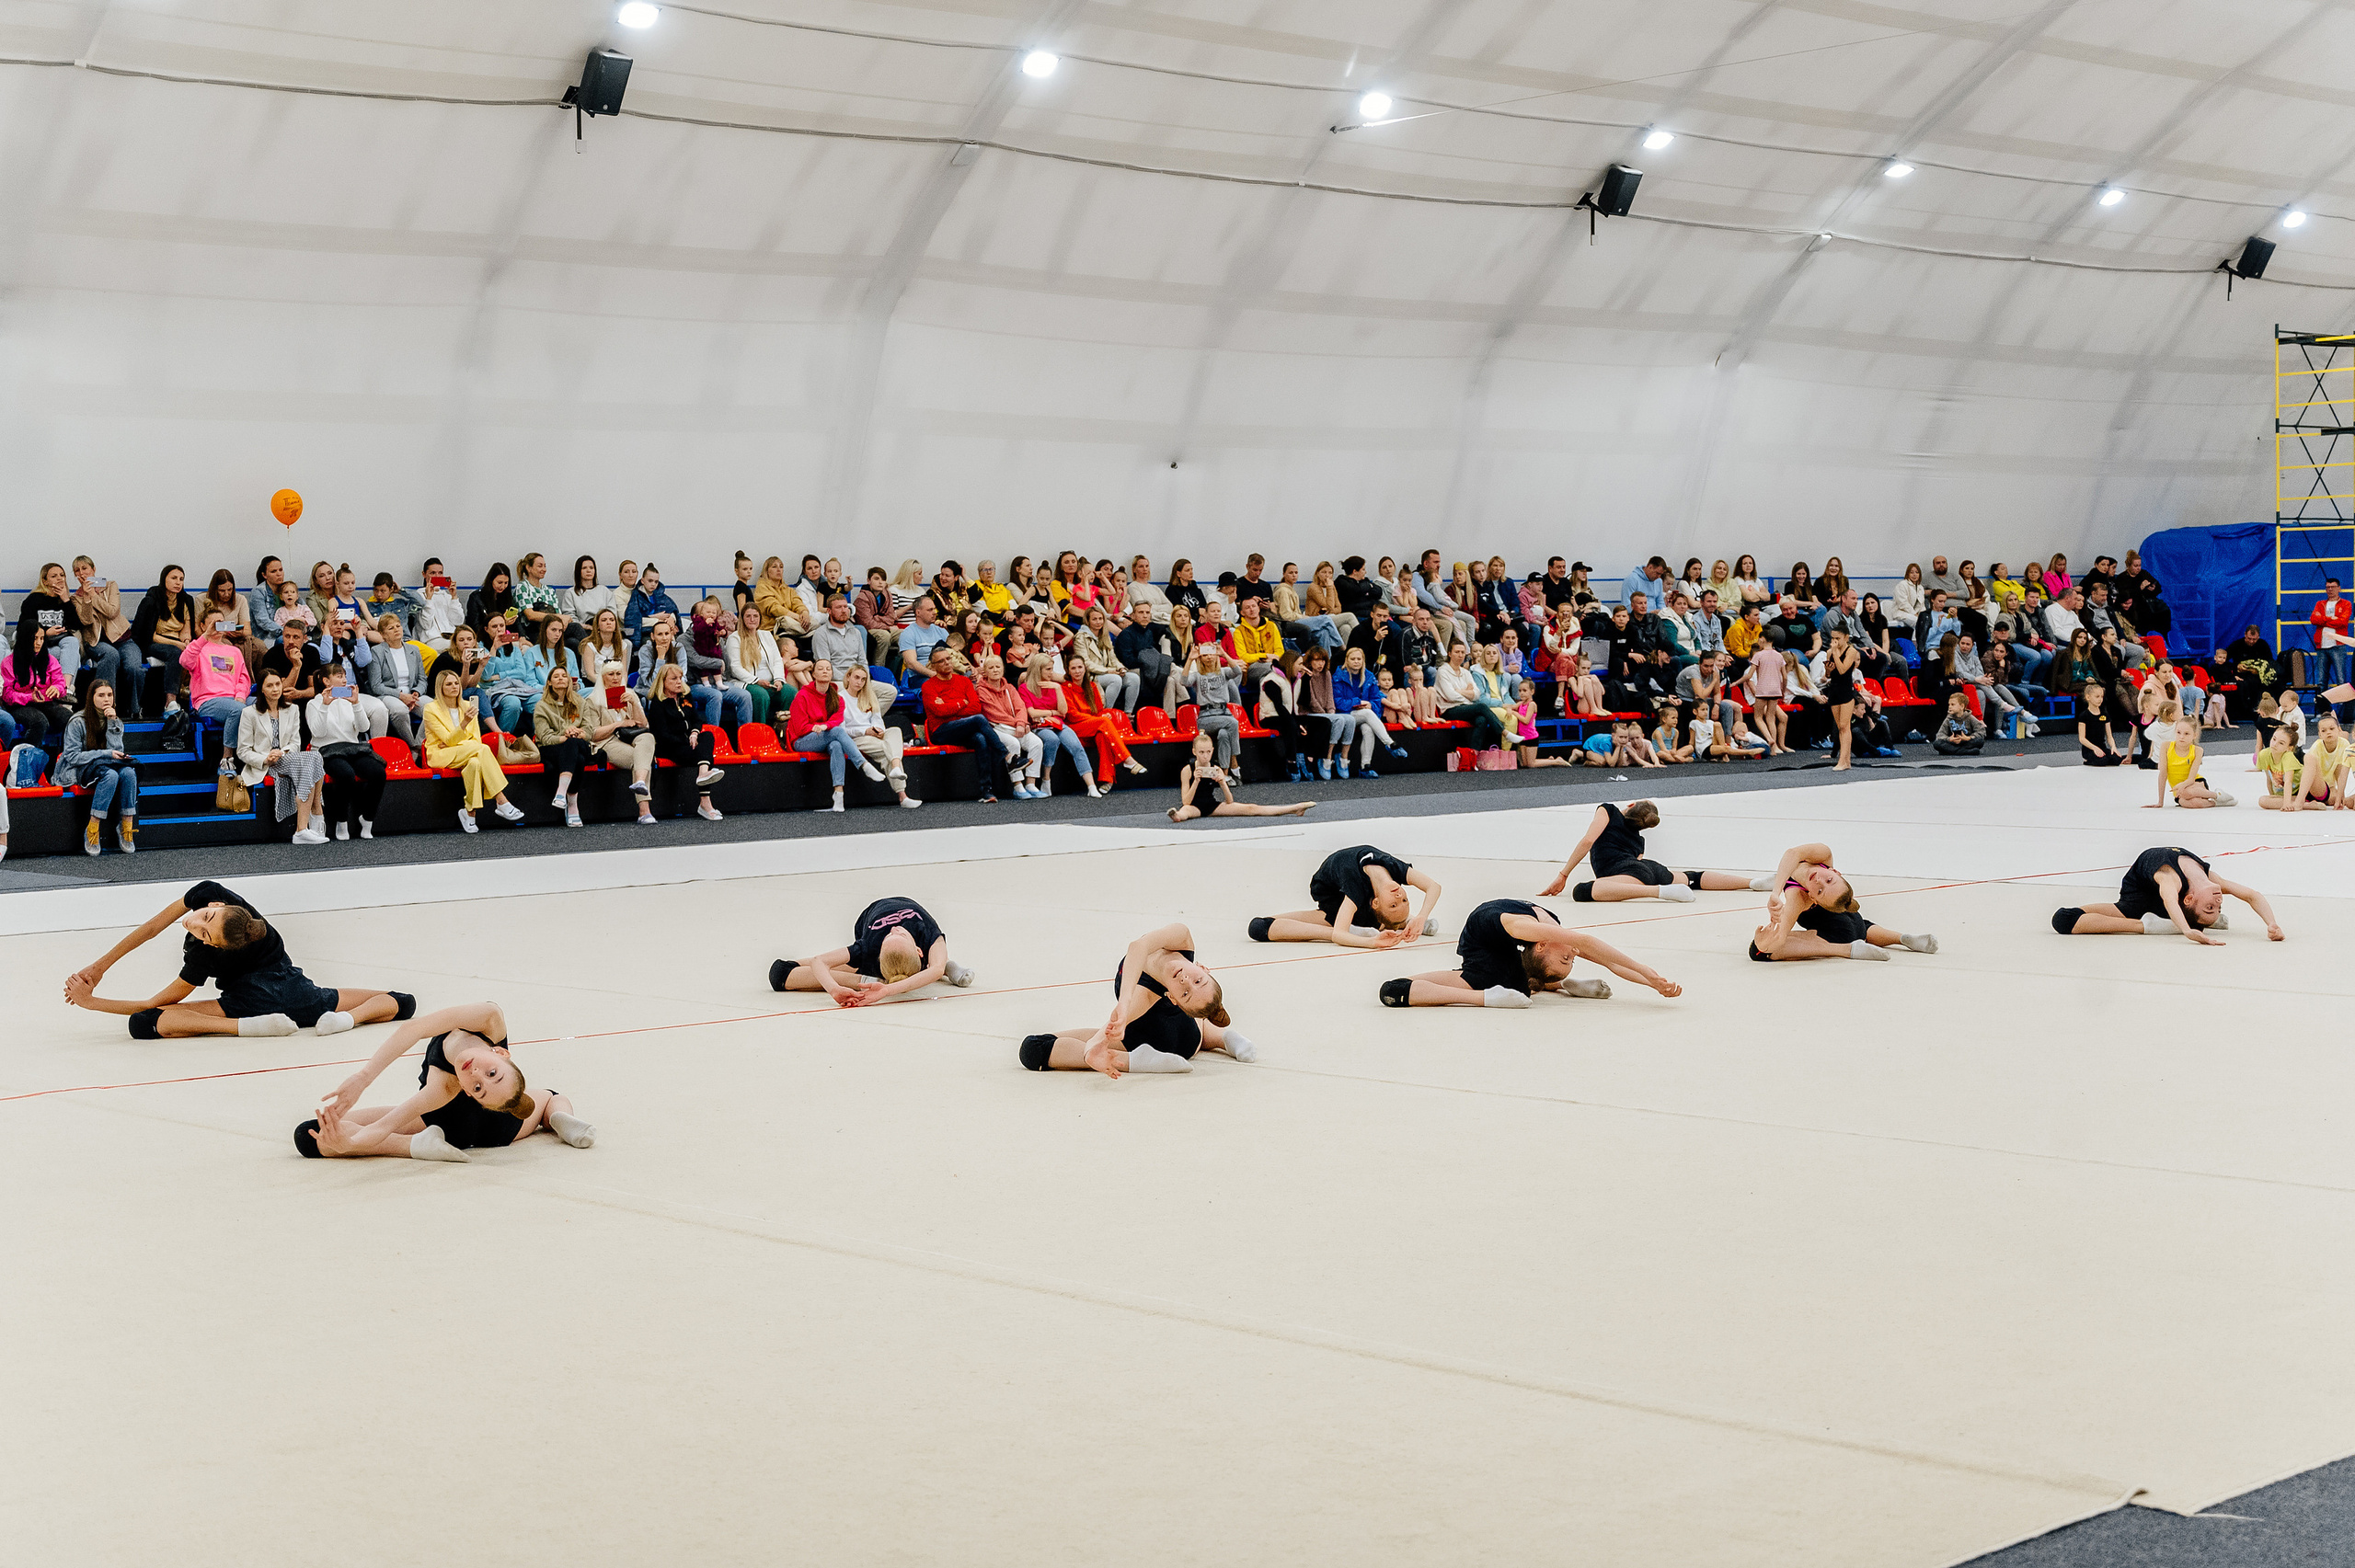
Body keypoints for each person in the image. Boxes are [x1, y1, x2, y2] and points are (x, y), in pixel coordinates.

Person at [63, 879, 415, 1040]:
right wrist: (100, 966)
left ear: (216, 947)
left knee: (146, 1024)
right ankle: (346, 1021)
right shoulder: (218, 904)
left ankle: (244, 1028)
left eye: (204, 933)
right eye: (205, 919)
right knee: (401, 1002)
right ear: (217, 905)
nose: (194, 923)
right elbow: (156, 927)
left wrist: (92, 1002)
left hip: (248, 1004)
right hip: (302, 995)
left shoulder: (204, 948)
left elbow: (153, 1004)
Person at [299, 1001, 592, 1162]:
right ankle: (557, 1116)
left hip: (450, 1129)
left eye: (478, 1087)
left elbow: (383, 1126)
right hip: (496, 1130)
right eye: (492, 1074)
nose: (476, 1075)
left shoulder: (445, 1087)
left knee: (310, 1135)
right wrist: (347, 1139)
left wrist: (348, 1144)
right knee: (550, 1098)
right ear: (501, 1052)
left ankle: (413, 1146)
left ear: (466, 1092)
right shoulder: (488, 1022)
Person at [1017, 921, 1255, 1077]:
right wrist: (1122, 1005)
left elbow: (1103, 1036)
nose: (1186, 981)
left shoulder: (1147, 995)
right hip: (1180, 1037)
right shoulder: (1182, 940)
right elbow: (1139, 947)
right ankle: (1220, 1037)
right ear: (1203, 967)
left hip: (1169, 1043)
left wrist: (1094, 1051)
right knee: (1039, 1045)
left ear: (1172, 998)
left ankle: (1137, 1060)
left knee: (1032, 1049)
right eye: (1198, 980)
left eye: (1185, 994)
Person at [1377, 898, 1680, 1009]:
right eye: (1567, 959)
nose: (1573, 953)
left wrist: (1651, 984)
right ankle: (1543, 987)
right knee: (1392, 991)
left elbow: (1610, 963)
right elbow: (1587, 941)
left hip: (1507, 952)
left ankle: (1553, 984)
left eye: (1570, 961)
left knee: (1518, 981)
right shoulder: (1525, 928)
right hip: (1483, 946)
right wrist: (1647, 970)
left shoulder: (1548, 939)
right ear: (1542, 946)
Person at [1746, 842, 1937, 962]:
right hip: (1854, 922)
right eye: (1828, 881)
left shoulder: (1798, 897)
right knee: (1862, 927)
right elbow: (1791, 853)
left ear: (1813, 899)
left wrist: (1763, 945)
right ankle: (1902, 938)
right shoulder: (1823, 857)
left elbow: (1779, 939)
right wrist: (1775, 892)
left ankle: (1848, 950)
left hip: (1841, 935)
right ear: (1835, 871)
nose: (1819, 881)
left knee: (1760, 953)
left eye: (1820, 890)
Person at [2051, 847, 2282, 944]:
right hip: (2145, 893)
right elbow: (2252, 895)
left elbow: (2170, 899)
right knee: (2064, 918)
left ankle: (2151, 925)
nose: (2219, 902)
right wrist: (2272, 923)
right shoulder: (2211, 880)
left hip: (2141, 900)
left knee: (2063, 919)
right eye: (2216, 909)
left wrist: (2272, 924)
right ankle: (2164, 924)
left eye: (2211, 908)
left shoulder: (2171, 880)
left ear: (2190, 899)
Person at [767, 896, 974, 1003]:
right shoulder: (868, 947)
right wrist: (833, 988)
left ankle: (867, 982)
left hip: (898, 957)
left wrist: (886, 989)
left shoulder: (925, 931)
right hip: (872, 923)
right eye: (893, 935)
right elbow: (818, 961)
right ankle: (932, 966)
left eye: (898, 934)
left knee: (781, 976)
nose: (894, 929)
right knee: (782, 970)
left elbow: (936, 969)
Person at [1541, 801, 1755, 904]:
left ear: (1631, 805)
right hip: (1650, 868)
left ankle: (1660, 892)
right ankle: (1751, 883)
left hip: (1631, 874)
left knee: (1581, 892)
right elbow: (1638, 863)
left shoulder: (1609, 810)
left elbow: (1588, 840)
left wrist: (1563, 875)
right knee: (1693, 878)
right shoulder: (1639, 840)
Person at [1248, 844, 1441, 947]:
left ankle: (1397, 922)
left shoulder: (1361, 891)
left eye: (1394, 905)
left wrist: (1371, 942)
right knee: (1258, 926)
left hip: (1344, 898)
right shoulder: (1393, 869)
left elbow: (1339, 935)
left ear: (1376, 903)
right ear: (1374, 903)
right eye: (1405, 900)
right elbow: (1433, 886)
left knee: (1258, 927)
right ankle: (1402, 921)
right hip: (1329, 892)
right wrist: (1422, 917)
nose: (1399, 896)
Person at [421, 667, 524, 833]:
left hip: (466, 751)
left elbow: (474, 738)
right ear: (440, 688)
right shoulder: (430, 709)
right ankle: (501, 800)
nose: (454, 687)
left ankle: (469, 813)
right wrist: (463, 725)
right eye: (448, 684)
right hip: (440, 755)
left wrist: (454, 741)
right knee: (481, 750)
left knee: (475, 763)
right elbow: (448, 740)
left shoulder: (468, 706)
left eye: (456, 683)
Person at [237, 670, 327, 844]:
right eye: (269, 686)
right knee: (312, 759)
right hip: (264, 764)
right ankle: (314, 818)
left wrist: (282, 752)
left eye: (278, 684)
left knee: (315, 756)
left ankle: (304, 827)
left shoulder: (292, 709)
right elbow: (243, 750)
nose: (275, 689)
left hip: (287, 758)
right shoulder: (249, 713)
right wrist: (266, 758)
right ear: (261, 689)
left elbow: (295, 742)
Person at [307, 660, 387, 841]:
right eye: (339, 676)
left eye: (344, 676)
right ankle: (341, 821)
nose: (344, 680)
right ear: (327, 681)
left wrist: (357, 704)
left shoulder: (347, 701)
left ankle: (367, 818)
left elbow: (363, 727)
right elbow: (318, 733)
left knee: (378, 773)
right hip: (326, 750)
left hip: (351, 747)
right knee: (346, 774)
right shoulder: (314, 704)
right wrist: (325, 706)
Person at [57, 680, 138, 854]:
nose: (106, 699)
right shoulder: (77, 721)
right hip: (78, 768)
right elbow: (72, 757)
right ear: (91, 698)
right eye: (101, 695)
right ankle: (93, 827)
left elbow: (116, 752)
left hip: (104, 766)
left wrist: (112, 722)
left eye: (109, 695)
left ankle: (126, 825)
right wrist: (105, 754)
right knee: (111, 776)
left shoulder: (115, 720)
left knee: (129, 773)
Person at [1166, 733, 1314, 823]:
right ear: (1194, 752)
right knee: (1184, 811)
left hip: (1213, 806)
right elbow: (1186, 800)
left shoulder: (1216, 768)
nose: (1205, 756)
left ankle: (1294, 808)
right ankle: (1176, 816)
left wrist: (1223, 783)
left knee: (1252, 808)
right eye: (1201, 752)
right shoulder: (1187, 770)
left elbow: (1230, 801)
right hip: (1194, 807)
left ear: (1212, 751)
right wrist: (1196, 781)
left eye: (1207, 752)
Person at [645, 663, 725, 821]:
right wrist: (684, 741)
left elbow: (696, 720)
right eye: (674, 679)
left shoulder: (685, 697)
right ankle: (705, 803)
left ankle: (703, 774)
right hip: (670, 747)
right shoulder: (657, 704)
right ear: (663, 682)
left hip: (689, 741)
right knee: (705, 756)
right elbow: (661, 734)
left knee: (707, 736)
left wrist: (694, 733)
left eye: (680, 678)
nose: (679, 682)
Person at [67, 556, 143, 718]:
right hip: (96, 641)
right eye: (77, 570)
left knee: (134, 667)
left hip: (123, 639)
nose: (82, 573)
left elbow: (112, 612)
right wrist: (86, 598)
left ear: (93, 569)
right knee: (110, 655)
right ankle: (104, 708)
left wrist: (93, 595)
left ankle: (135, 709)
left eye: (85, 568)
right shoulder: (75, 598)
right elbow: (85, 620)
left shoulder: (110, 586)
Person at [529, 667, 599, 828]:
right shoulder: (542, 706)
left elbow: (589, 731)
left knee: (574, 744)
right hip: (552, 747)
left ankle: (561, 793)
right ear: (549, 682)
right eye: (556, 676)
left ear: (569, 681)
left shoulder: (580, 702)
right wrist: (565, 735)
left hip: (579, 742)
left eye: (564, 676)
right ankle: (573, 805)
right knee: (578, 759)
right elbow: (544, 737)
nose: (561, 678)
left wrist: (576, 733)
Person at [3, 624, 72, 745]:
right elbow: (7, 694)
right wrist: (29, 697)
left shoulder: (50, 659)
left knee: (70, 719)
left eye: (42, 638)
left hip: (46, 702)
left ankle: (63, 758)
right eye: (35, 638)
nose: (39, 643)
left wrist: (57, 689)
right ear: (25, 638)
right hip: (19, 706)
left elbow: (60, 683)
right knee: (39, 722)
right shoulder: (8, 662)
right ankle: (28, 759)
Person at [2291, 710, 2351, 808]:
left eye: (2332, 729)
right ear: (2320, 735)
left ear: (2338, 730)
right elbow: (2309, 772)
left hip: (2327, 788)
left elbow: (2339, 772)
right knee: (2264, 800)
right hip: (2312, 785)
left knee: (2335, 798)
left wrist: (2341, 796)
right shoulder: (2317, 747)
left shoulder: (2344, 744)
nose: (2328, 732)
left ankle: (2307, 802)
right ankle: (2301, 799)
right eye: (2324, 731)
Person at [2256, 724, 2304, 810]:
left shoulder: (2288, 756)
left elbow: (2288, 781)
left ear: (2289, 748)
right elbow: (2269, 779)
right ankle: (2301, 803)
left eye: (2281, 743)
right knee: (2262, 801)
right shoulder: (2264, 754)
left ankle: (2305, 804)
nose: (2274, 744)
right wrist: (2273, 797)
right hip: (2284, 795)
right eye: (2274, 739)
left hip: (2301, 792)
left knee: (2268, 801)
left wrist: (2286, 804)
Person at [2077, 682, 2126, 766]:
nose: (2100, 699)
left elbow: (2109, 736)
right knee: (2102, 761)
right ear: (2088, 697)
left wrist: (2113, 747)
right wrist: (2094, 748)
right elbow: (2082, 738)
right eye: (2097, 697)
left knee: (2117, 760)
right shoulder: (2084, 716)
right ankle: (2087, 760)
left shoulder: (2104, 715)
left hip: (2102, 747)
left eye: (2102, 697)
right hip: (2089, 749)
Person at [1933, 692, 1985, 756]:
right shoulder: (1948, 719)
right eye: (1949, 705)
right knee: (1937, 743)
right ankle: (1964, 751)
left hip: (1966, 742)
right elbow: (1940, 735)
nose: (1950, 707)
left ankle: (1951, 751)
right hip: (1953, 743)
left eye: (1953, 704)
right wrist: (1949, 739)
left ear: (1962, 706)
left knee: (1980, 741)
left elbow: (1981, 731)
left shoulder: (1970, 717)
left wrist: (1968, 738)